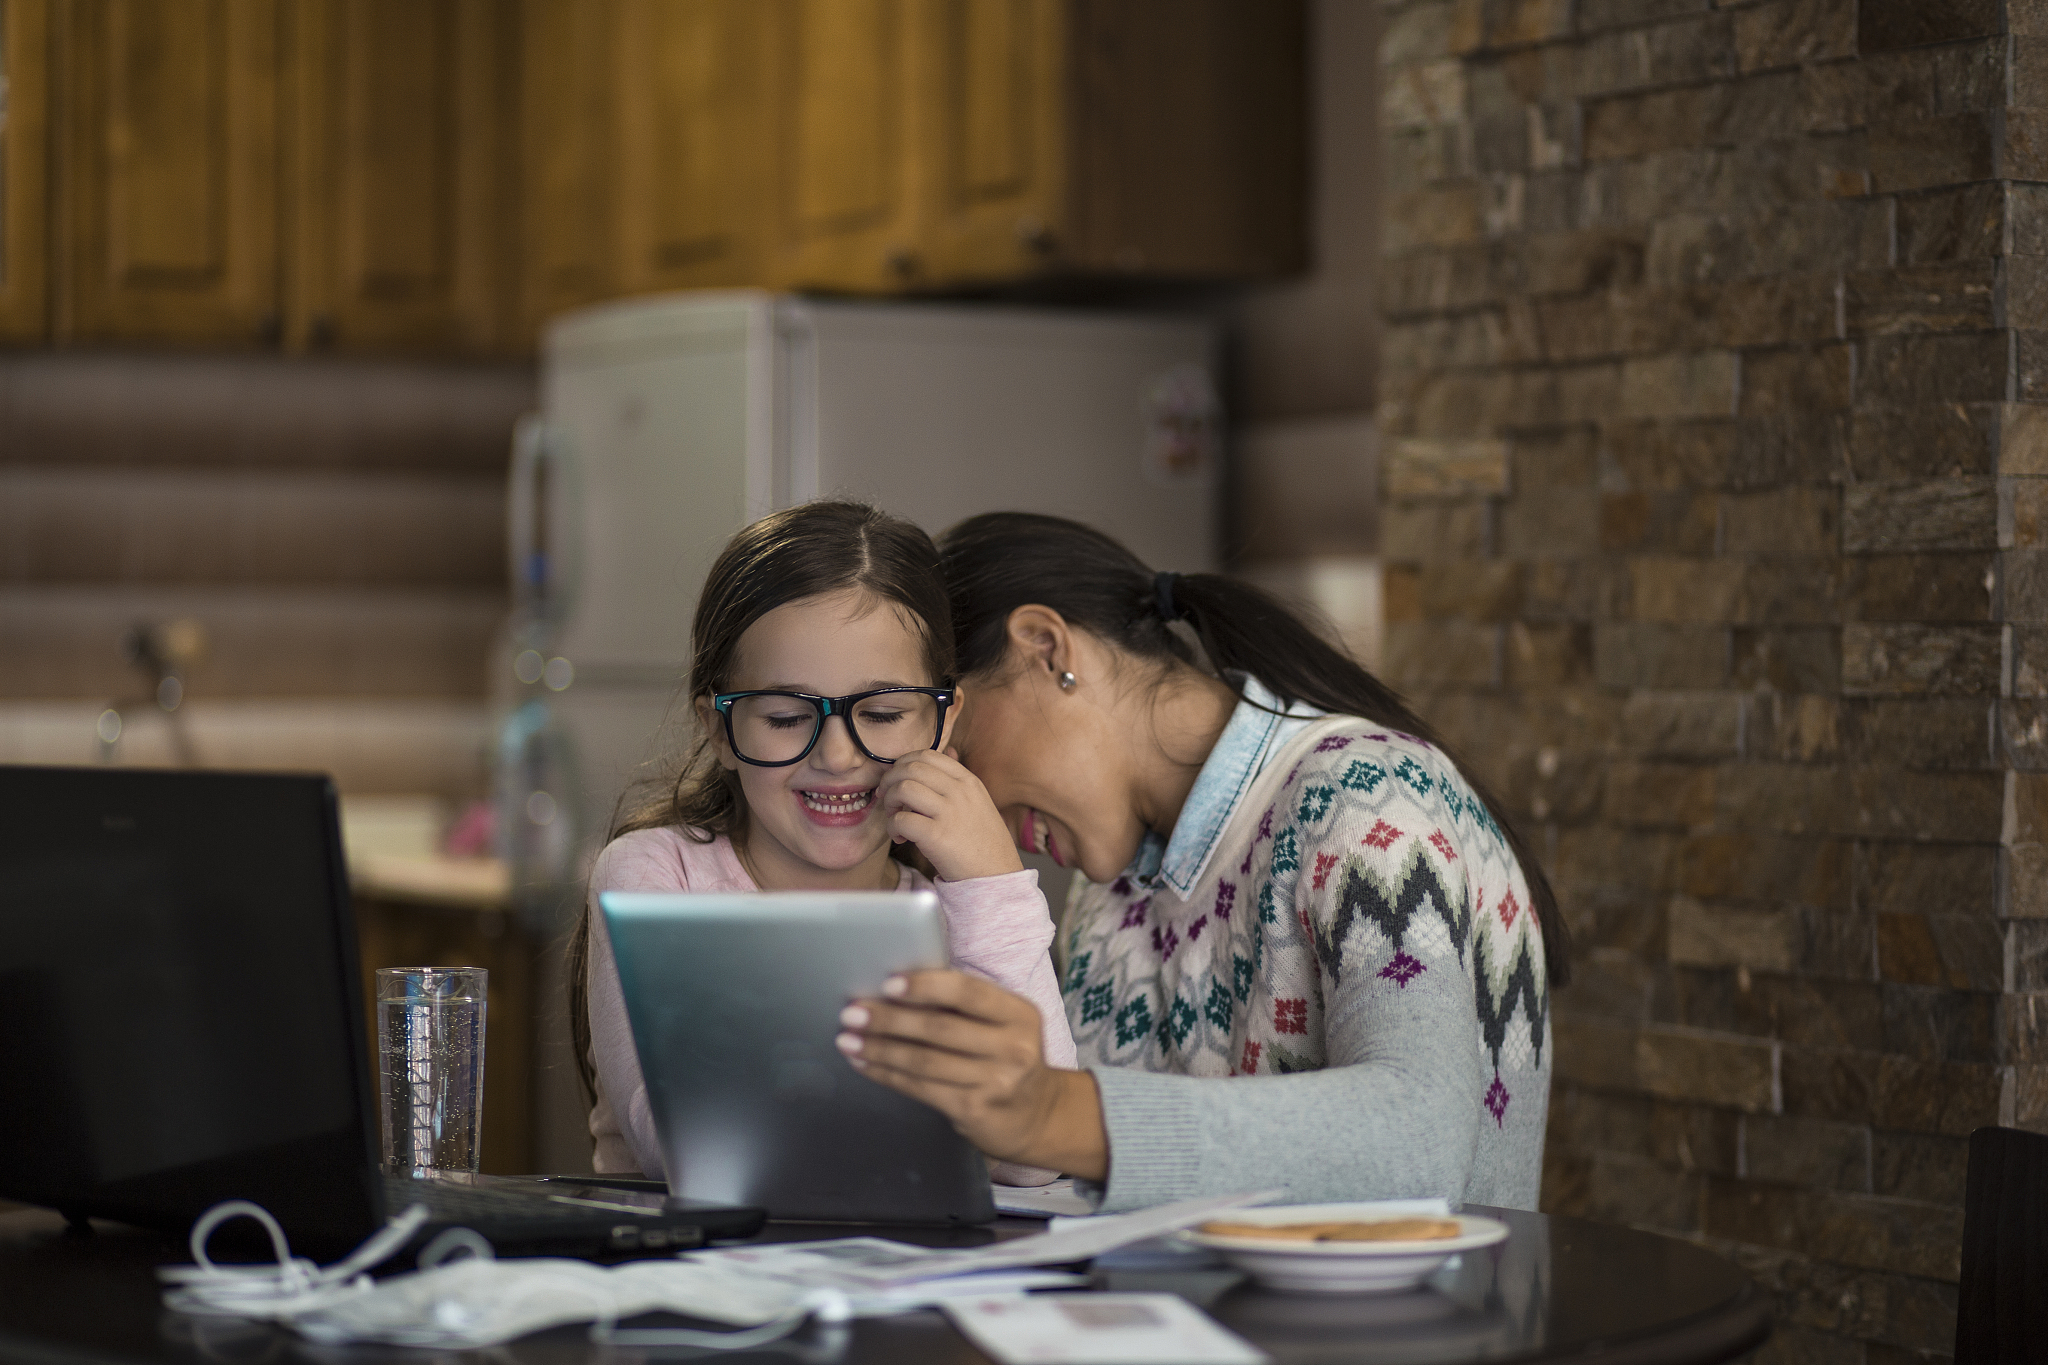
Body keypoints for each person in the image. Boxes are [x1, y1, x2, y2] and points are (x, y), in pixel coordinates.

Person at [832, 513, 1571, 1212]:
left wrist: (1049, 1111)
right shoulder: (1105, 893)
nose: (968, 799)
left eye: (956, 748)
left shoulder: (1368, 798)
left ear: (1045, 648)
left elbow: (1421, 1138)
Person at [567, 501, 1075, 1183]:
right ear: (719, 730)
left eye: (884, 712)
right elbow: (688, 1143)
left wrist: (992, 883)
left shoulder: (960, 916)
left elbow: (1038, 1158)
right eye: (785, 716)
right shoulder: (656, 878)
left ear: (944, 718)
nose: (838, 755)